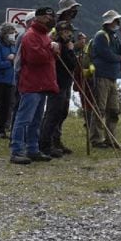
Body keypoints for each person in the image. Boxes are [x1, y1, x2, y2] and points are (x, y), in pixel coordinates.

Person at [10, 7, 59, 164]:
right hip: (31, 83)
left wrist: (54, 48)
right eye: (46, 17)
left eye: (50, 17)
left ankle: (32, 148)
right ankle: (17, 150)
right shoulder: (30, 36)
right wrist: (51, 49)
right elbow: (35, 57)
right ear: (38, 18)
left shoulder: (44, 35)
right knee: (24, 118)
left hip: (42, 83)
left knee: (36, 119)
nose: (49, 19)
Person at [39, 19, 78, 157]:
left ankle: (51, 142)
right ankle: (44, 144)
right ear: (62, 32)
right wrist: (71, 51)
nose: (70, 35)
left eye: (70, 32)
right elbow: (71, 64)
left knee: (60, 113)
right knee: (52, 113)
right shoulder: (60, 46)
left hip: (64, 84)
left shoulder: (63, 45)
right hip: (58, 84)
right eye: (68, 32)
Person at [90, 10, 121, 148]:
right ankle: (96, 139)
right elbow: (106, 54)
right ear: (110, 22)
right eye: (116, 21)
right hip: (102, 75)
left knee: (113, 109)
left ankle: (110, 138)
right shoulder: (101, 36)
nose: (118, 23)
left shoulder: (115, 36)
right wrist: (119, 58)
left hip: (112, 76)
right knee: (100, 108)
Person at [0, 23, 18, 138]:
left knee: (6, 107)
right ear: (4, 34)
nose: (13, 35)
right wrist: (9, 62)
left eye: (13, 32)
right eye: (10, 32)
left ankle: (1, 129)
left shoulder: (13, 46)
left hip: (10, 81)